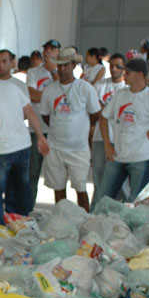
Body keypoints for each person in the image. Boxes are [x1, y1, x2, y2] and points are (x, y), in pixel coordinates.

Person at [0, 58, 49, 227]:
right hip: (23, 147)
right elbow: (30, 114)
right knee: (21, 189)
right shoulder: (12, 88)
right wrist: (40, 136)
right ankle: (23, 226)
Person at [95, 59, 149, 206]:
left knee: (136, 201)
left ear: (140, 75)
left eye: (128, 73)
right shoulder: (120, 94)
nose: (125, 75)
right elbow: (103, 117)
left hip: (140, 157)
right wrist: (107, 145)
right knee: (101, 199)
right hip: (117, 156)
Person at [39, 47, 101, 211]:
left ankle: (85, 220)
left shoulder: (85, 88)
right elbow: (46, 116)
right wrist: (60, 126)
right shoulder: (50, 90)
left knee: (81, 188)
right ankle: (61, 220)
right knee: (58, 189)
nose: (62, 69)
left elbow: (95, 114)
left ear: (74, 65)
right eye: (59, 65)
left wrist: (81, 128)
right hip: (55, 148)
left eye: (66, 65)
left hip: (79, 149)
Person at [90, 53, 127, 208]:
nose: (114, 69)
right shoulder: (100, 85)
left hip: (121, 139)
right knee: (98, 177)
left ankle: (120, 210)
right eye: (111, 65)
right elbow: (98, 110)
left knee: (121, 181)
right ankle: (96, 210)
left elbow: (115, 112)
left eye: (118, 66)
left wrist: (107, 110)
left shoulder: (127, 88)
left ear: (125, 68)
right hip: (100, 138)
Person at [27, 39, 60, 206]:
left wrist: (54, 72)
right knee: (32, 172)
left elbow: (65, 93)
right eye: (46, 49)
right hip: (36, 129)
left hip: (57, 131)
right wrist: (51, 96)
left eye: (52, 49)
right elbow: (32, 95)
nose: (48, 52)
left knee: (58, 174)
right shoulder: (33, 73)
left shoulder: (64, 72)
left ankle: (60, 209)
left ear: (58, 52)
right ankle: (29, 207)